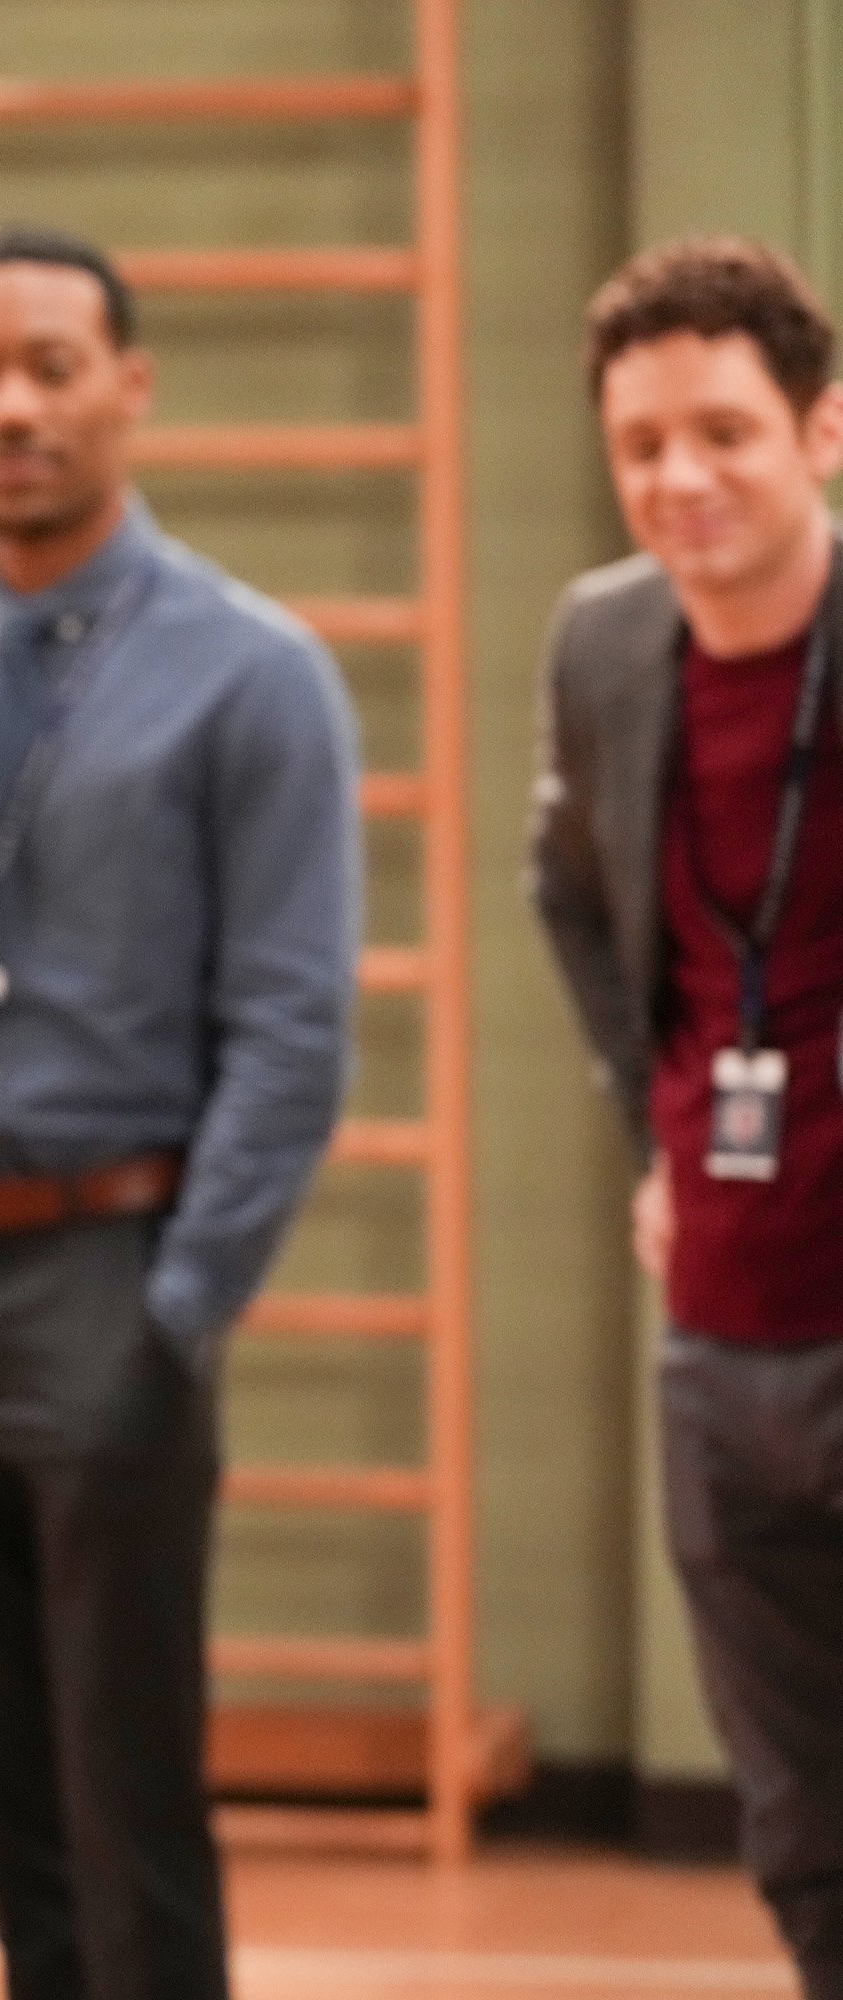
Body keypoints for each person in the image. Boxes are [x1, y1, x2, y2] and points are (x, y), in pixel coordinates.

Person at [0, 224, 361, 2000]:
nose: (13, 404)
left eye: (52, 366)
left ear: (130, 387)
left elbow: (293, 1023)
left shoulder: (255, 674)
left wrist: (180, 1312)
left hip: (116, 1271)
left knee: (133, 1807)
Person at [528, 237, 843, 2000]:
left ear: (823, 432)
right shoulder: (607, 641)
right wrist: (655, 1142)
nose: (680, 480)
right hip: (721, 1324)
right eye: (643, 444)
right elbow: (567, 896)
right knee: (798, 1818)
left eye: (724, 433)